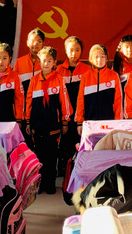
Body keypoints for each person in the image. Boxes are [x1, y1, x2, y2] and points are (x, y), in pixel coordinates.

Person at [25, 46, 72, 194]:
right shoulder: (34, 80)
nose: (46, 63)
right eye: (43, 60)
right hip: (37, 125)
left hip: (53, 125)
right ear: (39, 62)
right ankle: (40, 183)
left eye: (49, 61)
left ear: (54, 62)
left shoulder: (59, 80)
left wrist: (65, 121)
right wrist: (27, 121)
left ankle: (50, 183)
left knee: (52, 155)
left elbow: (64, 101)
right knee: (38, 155)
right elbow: (28, 102)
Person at [57, 36, 90, 172]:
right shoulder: (58, 70)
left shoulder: (87, 69)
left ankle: (79, 168)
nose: (74, 53)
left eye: (77, 50)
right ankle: (64, 168)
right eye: (71, 50)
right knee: (65, 141)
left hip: (81, 113)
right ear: (65, 51)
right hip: (64, 114)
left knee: (79, 140)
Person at [75, 44, 122, 130]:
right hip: (90, 121)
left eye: (102, 57)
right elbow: (80, 101)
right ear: (90, 59)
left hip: (109, 122)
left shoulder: (114, 75)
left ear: (107, 59)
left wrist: (118, 122)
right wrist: (79, 122)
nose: (99, 60)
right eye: (96, 57)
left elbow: (118, 100)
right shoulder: (85, 76)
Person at [14, 29, 45, 95]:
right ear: (27, 43)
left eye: (39, 41)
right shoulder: (19, 62)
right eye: (32, 41)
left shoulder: (47, 62)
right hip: (24, 98)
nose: (35, 44)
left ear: (43, 44)